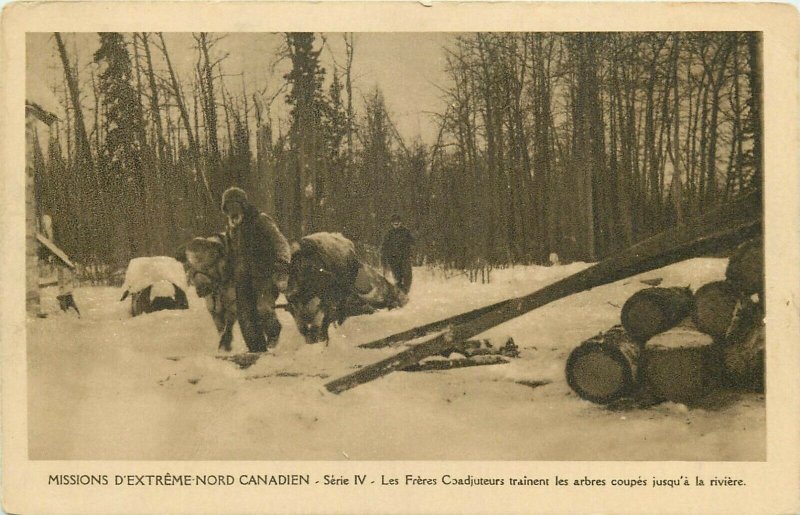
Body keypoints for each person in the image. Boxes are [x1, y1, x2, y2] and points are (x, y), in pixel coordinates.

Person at [221, 187, 291, 352]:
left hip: (263, 276)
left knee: (263, 309)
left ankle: (274, 334)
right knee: (245, 317)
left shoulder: (260, 221)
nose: (233, 212)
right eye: (229, 208)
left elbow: (281, 243)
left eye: (236, 206)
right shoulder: (231, 229)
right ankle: (256, 351)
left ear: (244, 206)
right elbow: (231, 254)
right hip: (242, 279)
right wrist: (227, 274)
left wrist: (282, 265)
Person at [381, 214, 414, 294]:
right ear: (391, 223)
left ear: (401, 222)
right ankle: (399, 294)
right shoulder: (389, 234)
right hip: (393, 259)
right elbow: (384, 247)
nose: (396, 223)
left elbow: (413, 242)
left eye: (398, 222)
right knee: (397, 278)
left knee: (407, 276)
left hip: (404, 258)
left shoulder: (406, 232)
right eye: (394, 222)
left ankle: (405, 292)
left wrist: (409, 250)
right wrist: (384, 259)